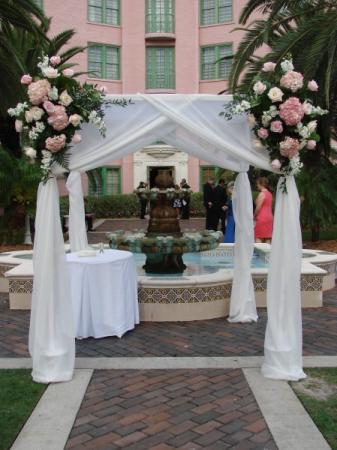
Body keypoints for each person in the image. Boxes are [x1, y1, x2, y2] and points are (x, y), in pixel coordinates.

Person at [254, 177, 273, 243]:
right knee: (267, 237)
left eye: (257, 184)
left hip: (262, 217)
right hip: (269, 217)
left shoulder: (262, 194)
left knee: (259, 236)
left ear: (261, 184)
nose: (257, 185)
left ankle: (259, 253)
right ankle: (267, 253)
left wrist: (254, 216)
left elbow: (258, 207)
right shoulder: (270, 194)